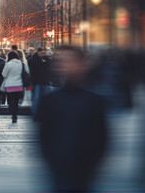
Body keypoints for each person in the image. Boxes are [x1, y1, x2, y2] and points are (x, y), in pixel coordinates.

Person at [36, 46, 107, 191]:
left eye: (70, 61)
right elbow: (43, 136)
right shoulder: (49, 101)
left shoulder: (94, 101)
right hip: (58, 167)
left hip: (86, 168)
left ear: (82, 65)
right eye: (60, 61)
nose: (64, 66)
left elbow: (102, 137)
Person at [0, 51, 29, 123]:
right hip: (18, 85)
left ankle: (12, 112)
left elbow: (4, 74)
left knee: (10, 101)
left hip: (9, 85)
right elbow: (27, 72)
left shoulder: (8, 64)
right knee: (16, 102)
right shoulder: (21, 63)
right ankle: (14, 116)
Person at [28, 48, 52, 117]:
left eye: (44, 51)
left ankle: (44, 114)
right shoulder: (32, 60)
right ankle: (36, 114)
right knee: (36, 99)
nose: (43, 53)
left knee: (45, 99)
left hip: (45, 82)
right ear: (38, 52)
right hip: (36, 83)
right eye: (42, 52)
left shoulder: (47, 60)